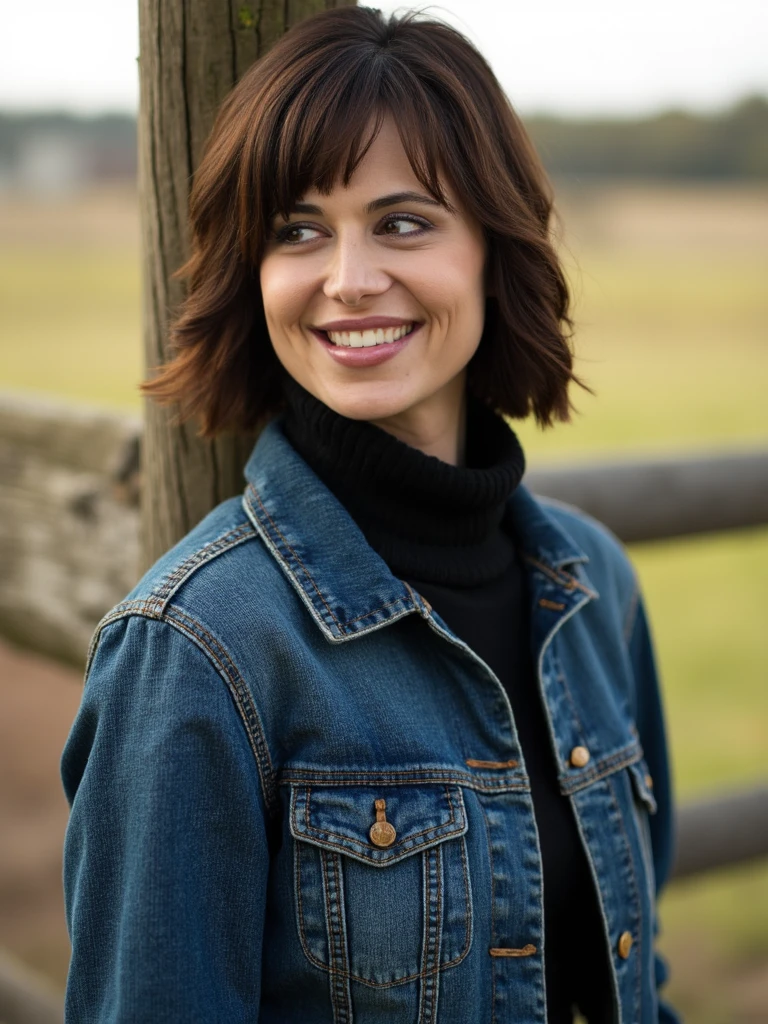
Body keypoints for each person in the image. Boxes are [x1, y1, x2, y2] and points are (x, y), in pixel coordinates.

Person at [61, 7, 680, 1022]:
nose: (348, 281)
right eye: (298, 230)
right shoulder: (195, 651)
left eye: (402, 222)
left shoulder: (596, 586)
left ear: (492, 246)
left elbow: (635, 983)